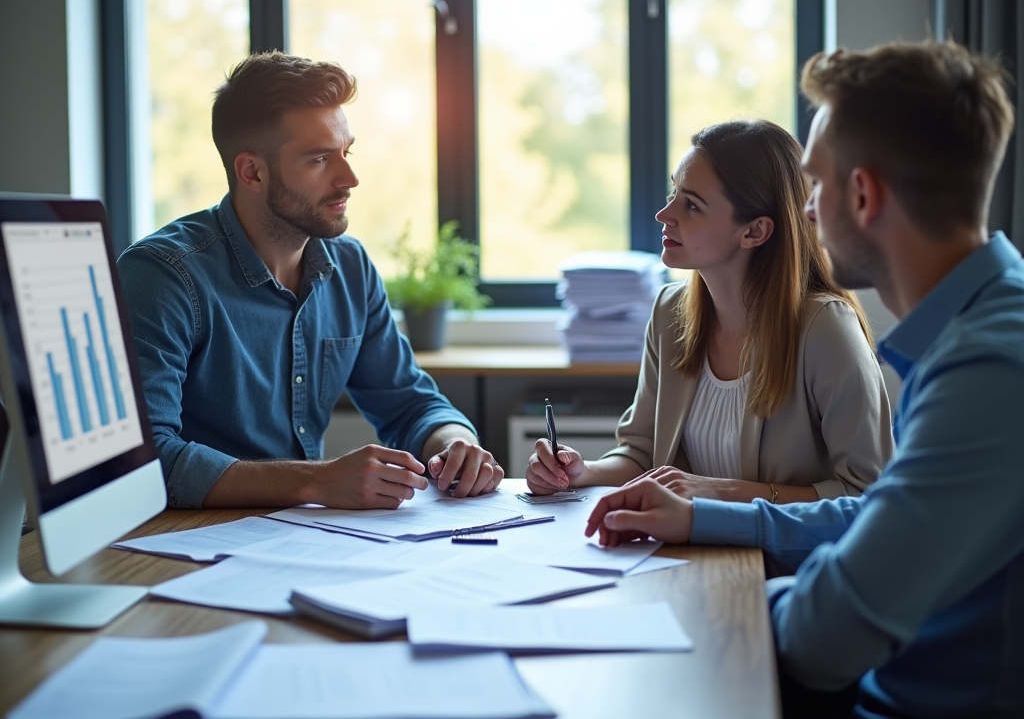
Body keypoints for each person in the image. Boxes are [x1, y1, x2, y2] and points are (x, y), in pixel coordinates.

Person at [585, 40, 1024, 719]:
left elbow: (828, 637)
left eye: (814, 183)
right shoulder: (975, 330)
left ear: (863, 193)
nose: (807, 211)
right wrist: (705, 517)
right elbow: (877, 517)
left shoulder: (993, 368)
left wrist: (714, 604)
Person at [117, 51, 503, 509]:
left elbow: (412, 405)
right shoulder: (163, 275)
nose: (350, 178)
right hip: (184, 542)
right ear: (253, 172)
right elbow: (143, 463)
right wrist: (315, 482)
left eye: (347, 152)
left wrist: (454, 445)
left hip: (301, 539)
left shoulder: (350, 267)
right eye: (320, 159)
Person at [527, 120, 892, 504]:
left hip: (786, 561)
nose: (664, 214)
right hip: (689, 552)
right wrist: (581, 471)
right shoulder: (670, 313)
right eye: (673, 193)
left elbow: (868, 494)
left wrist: (721, 493)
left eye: (691, 204)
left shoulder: (826, 329)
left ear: (754, 231)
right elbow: (642, 454)